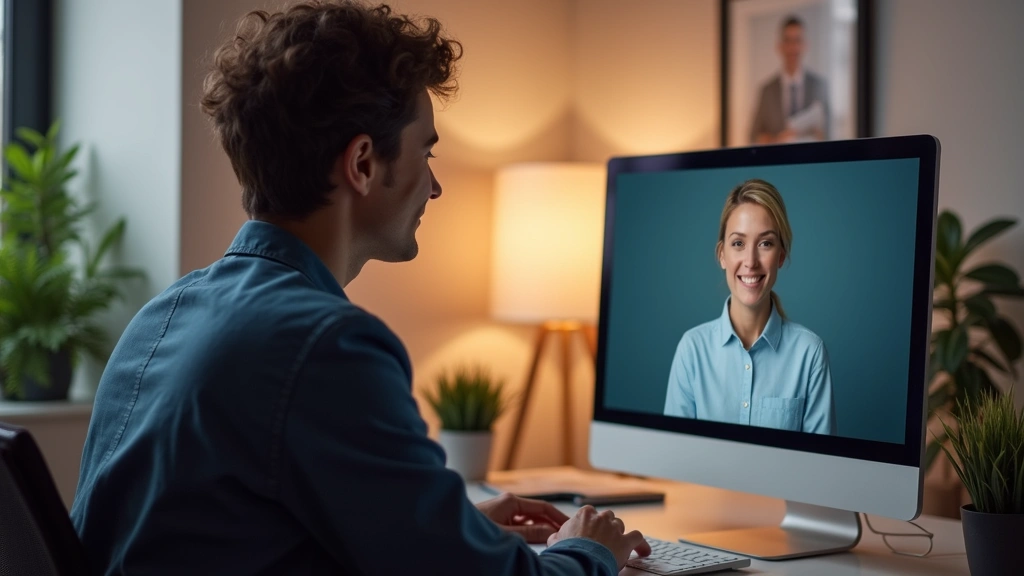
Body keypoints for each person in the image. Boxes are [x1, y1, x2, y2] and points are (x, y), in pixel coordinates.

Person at [69, 2, 650, 575]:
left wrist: (452, 526)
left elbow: (237, 532)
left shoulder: (162, 316)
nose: (436, 186)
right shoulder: (325, 345)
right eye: (426, 152)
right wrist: (588, 550)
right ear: (364, 164)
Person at [663, 179, 836, 435]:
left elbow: (822, 468)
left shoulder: (810, 354)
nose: (751, 261)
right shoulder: (692, 350)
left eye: (765, 243)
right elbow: (675, 458)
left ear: (781, 255)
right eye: (738, 244)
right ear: (722, 255)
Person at [750, 16, 829, 144]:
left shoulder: (819, 86)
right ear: (780, 46)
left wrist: (818, 134)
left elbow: (829, 133)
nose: (792, 47)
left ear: (804, 45)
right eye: (788, 41)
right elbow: (754, 135)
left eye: (797, 41)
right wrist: (776, 140)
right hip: (779, 161)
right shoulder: (767, 91)